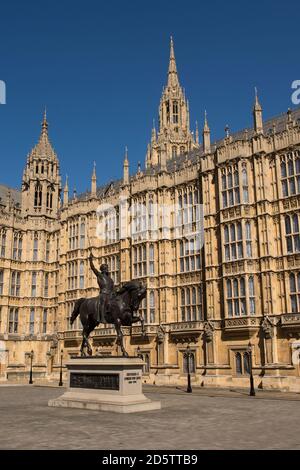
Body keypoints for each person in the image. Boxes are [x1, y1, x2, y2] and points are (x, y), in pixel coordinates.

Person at [89, 252, 115, 323]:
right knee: (103, 302)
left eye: (106, 268)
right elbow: (93, 268)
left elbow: (113, 288)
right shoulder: (100, 275)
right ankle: (102, 318)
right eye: (105, 268)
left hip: (110, 294)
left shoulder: (110, 279)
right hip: (103, 293)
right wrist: (90, 260)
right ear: (103, 269)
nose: (106, 269)